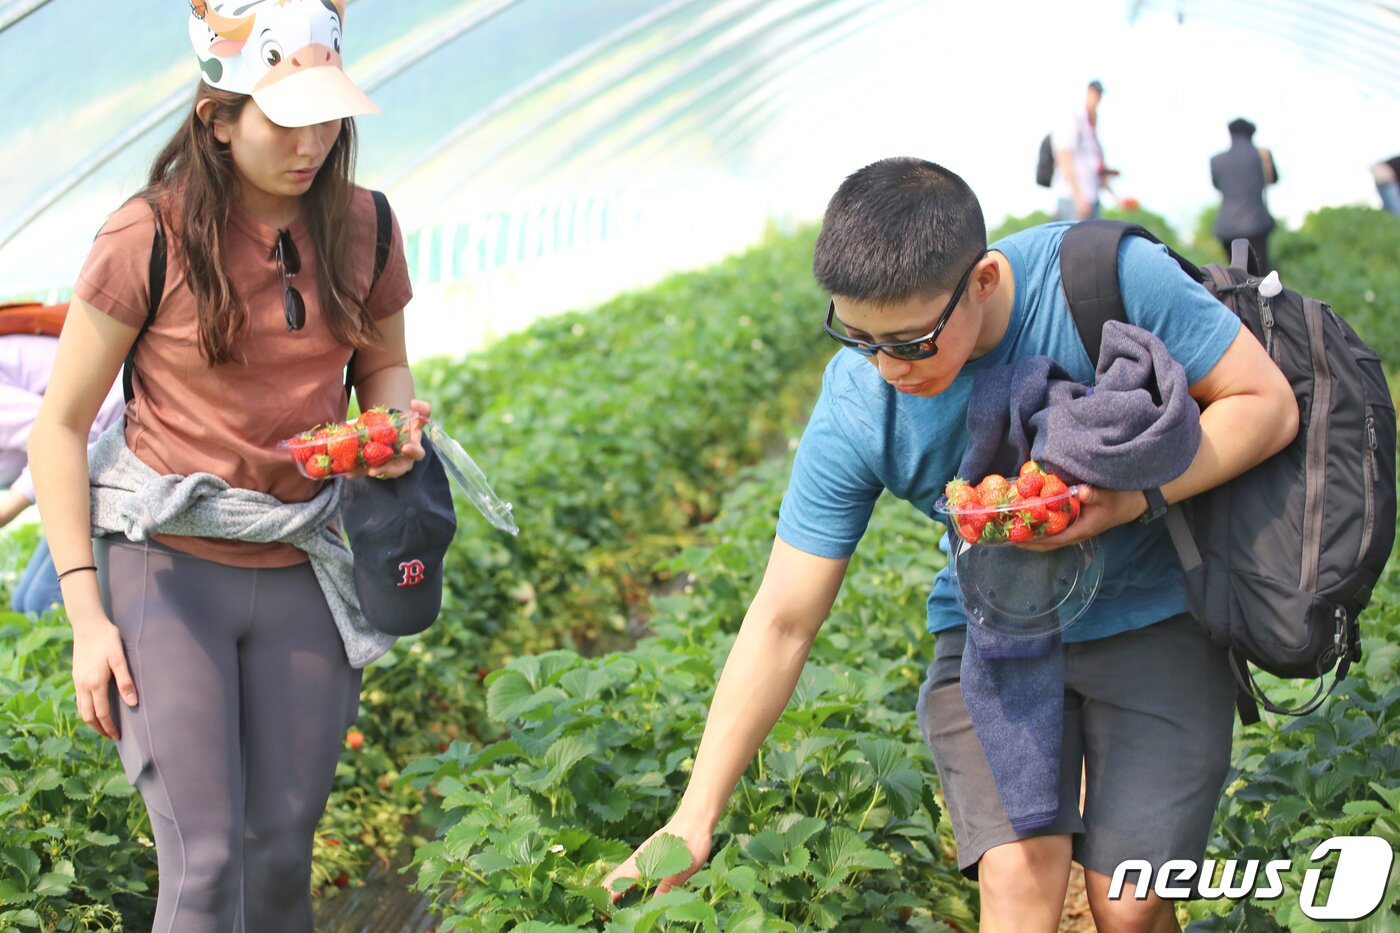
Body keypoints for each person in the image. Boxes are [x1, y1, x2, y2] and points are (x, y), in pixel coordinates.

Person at [603, 158, 1298, 932]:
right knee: (1016, 879)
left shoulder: (1105, 279)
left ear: (986, 280)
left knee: (1129, 904)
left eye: (913, 341)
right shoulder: (861, 404)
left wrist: (1132, 496)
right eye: (858, 336)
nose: (889, 366)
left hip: (1154, 617)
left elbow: (1266, 404)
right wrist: (693, 815)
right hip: (993, 637)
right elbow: (783, 618)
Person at [27, 1, 423, 929]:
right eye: (286, 119)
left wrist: (393, 425)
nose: (315, 140)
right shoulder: (147, 235)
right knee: (203, 863)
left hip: (305, 562)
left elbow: (383, 366)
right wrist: (87, 614)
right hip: (167, 567)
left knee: (283, 853)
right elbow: (60, 428)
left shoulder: (366, 226)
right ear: (218, 115)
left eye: (328, 115)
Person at [1, 333, 124, 615]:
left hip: (112, 437)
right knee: (24, 605)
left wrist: (8, 509)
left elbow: (61, 438)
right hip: (87, 455)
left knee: (42, 603)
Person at [1210, 118, 1278, 272]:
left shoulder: (1216, 160)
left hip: (1227, 228)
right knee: (1261, 280)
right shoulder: (1263, 156)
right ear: (1252, 135)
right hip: (1256, 225)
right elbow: (1273, 179)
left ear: (1230, 134)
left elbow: (1217, 185)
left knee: (1237, 277)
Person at [1052, 80, 1118, 222]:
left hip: (1091, 198)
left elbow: (1097, 167)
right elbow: (1064, 157)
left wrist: (1117, 198)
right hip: (1072, 198)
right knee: (1072, 242)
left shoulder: (1093, 127)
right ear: (1088, 93)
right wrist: (1079, 197)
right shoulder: (1074, 119)